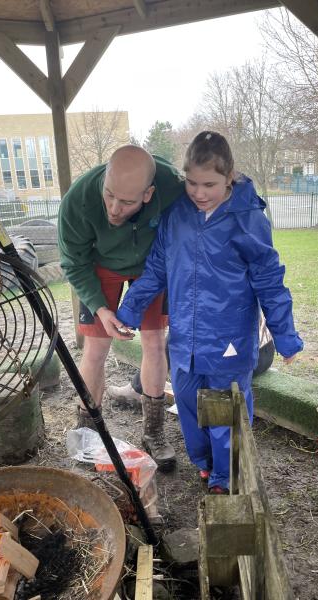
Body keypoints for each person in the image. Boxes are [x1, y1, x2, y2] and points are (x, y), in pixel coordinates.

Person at [116, 131, 303, 493]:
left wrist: (286, 336)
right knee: (187, 400)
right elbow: (156, 268)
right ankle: (204, 461)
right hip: (185, 337)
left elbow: (269, 280)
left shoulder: (247, 219)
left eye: (209, 185)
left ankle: (226, 475)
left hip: (228, 337)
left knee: (225, 407)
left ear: (229, 177)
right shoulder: (177, 215)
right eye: (192, 183)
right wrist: (129, 311)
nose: (199, 193)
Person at [58, 145, 184, 471]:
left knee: (154, 343)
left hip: (152, 267)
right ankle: (87, 433)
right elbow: (74, 263)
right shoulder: (78, 200)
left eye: (126, 202)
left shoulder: (172, 185)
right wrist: (100, 309)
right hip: (100, 265)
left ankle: (154, 431)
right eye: (109, 195)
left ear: (148, 194)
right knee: (95, 349)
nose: (114, 209)